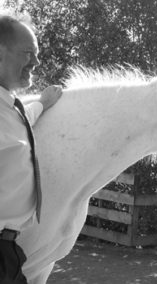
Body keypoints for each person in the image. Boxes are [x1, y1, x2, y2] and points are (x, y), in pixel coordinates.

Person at [0, 12, 62, 283]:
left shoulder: (11, 107)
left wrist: (42, 103)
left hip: (9, 250)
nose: (36, 62)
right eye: (28, 53)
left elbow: (24, 121)